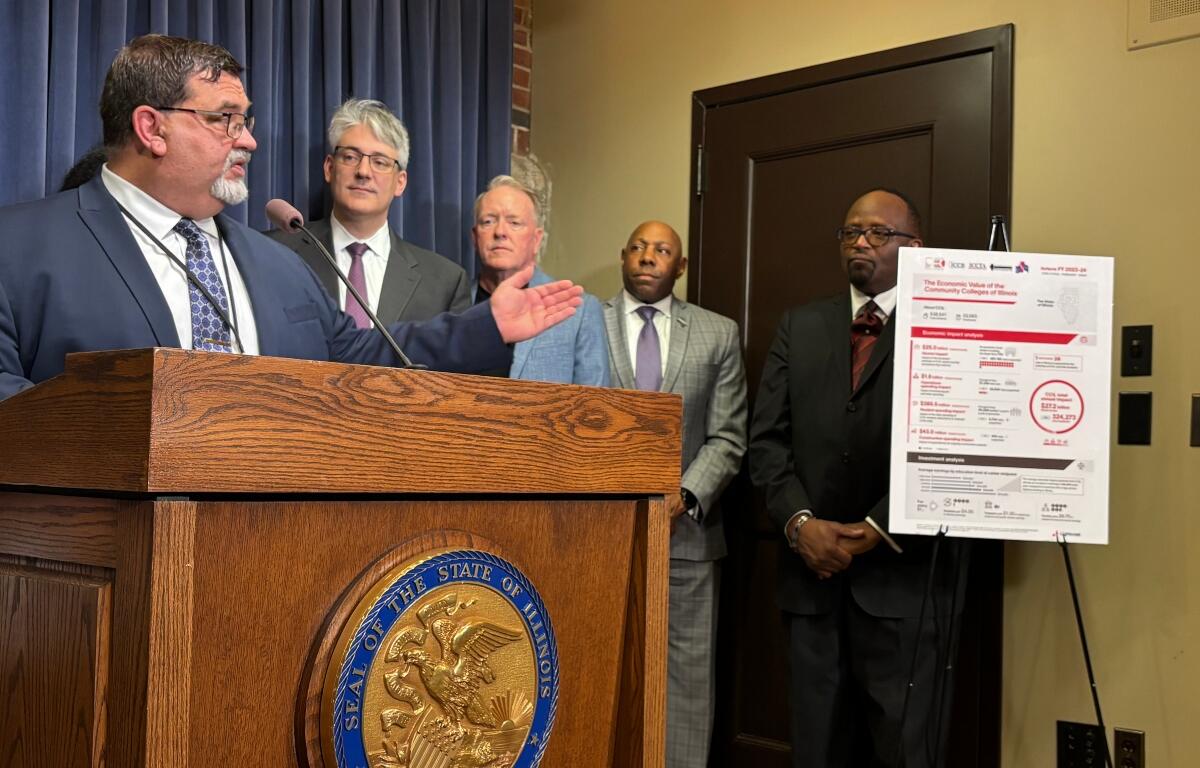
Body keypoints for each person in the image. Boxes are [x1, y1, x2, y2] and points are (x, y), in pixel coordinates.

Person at [0, 35, 581, 401]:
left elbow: (366, 357)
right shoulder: (19, 248)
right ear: (152, 127)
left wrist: (487, 326)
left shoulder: (277, 261)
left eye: (246, 119)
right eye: (225, 119)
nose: (248, 139)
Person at [750, 189, 959, 767]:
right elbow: (766, 440)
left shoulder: (946, 324)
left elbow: (958, 444)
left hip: (904, 583)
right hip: (810, 582)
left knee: (904, 749)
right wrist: (800, 524)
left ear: (915, 248)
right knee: (815, 749)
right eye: (850, 232)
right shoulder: (801, 324)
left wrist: (877, 525)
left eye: (877, 233)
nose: (860, 242)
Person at [602, 220, 746, 767]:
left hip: (686, 535)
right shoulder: (585, 322)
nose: (647, 257)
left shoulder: (718, 333)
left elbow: (729, 435)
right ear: (622, 256)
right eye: (637, 246)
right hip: (600, 534)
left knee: (686, 679)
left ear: (679, 267)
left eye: (662, 250)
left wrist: (682, 497)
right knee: (599, 658)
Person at [267, 98, 470, 323]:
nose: (363, 171)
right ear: (329, 168)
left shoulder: (445, 283)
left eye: (380, 162)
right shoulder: (274, 253)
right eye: (351, 157)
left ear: (400, 182)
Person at [472, 175, 608, 385]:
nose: (500, 232)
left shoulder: (578, 311)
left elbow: (596, 407)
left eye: (514, 222)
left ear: (536, 240)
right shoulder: (452, 302)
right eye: (488, 221)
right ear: (475, 237)